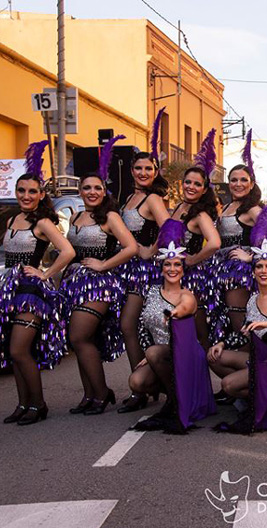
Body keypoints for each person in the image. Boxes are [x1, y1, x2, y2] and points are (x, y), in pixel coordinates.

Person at [0, 141, 75, 425]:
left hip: (31, 292)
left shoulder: (42, 222)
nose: (26, 196)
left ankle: (38, 405)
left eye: (32, 191)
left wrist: (44, 273)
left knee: (20, 349)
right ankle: (23, 404)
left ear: (41, 194)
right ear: (15, 192)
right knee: (13, 351)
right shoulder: (12, 219)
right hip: (7, 290)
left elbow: (67, 251)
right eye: (21, 190)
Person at [61, 136, 138, 415]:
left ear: (105, 191)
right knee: (83, 341)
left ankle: (102, 392)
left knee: (79, 337)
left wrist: (104, 266)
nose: (92, 192)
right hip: (73, 283)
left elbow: (130, 248)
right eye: (87, 188)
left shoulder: (110, 217)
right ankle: (89, 395)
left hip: (98, 285)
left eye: (97, 188)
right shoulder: (75, 218)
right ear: (80, 191)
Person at [210, 234, 267, 434]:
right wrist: (222, 344)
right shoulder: (252, 298)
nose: (264, 271)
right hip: (257, 358)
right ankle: (256, 393)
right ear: (253, 272)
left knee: (228, 385)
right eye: (259, 267)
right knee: (214, 357)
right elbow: (245, 330)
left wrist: (265, 323)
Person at [129, 222, 216, 433]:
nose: (172, 269)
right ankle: (173, 394)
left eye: (177, 265)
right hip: (160, 355)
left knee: (154, 352)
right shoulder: (151, 291)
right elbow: (141, 326)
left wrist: (174, 312)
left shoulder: (186, 294)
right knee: (137, 382)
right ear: (161, 268)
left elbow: (187, 307)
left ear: (183, 270)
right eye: (168, 265)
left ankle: (176, 402)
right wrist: (149, 354)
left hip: (186, 353)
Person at [117, 110, 172, 413]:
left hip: (145, 274)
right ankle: (146, 383)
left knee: (130, 324)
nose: (142, 173)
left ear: (155, 171)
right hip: (127, 271)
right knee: (132, 327)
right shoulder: (128, 199)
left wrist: (150, 250)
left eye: (148, 169)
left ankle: (144, 385)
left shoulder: (153, 199)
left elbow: (169, 229)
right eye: (138, 168)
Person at [168, 130, 222, 348]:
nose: (191, 187)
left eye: (197, 184)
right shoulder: (179, 207)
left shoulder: (200, 214)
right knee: (177, 332)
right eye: (188, 182)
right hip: (172, 275)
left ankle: (198, 378)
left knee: (197, 333)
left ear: (203, 189)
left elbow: (215, 243)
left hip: (191, 279)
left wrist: (192, 260)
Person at [214, 130, 263, 362]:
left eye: (244, 180)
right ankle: (239, 381)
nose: (238, 184)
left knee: (241, 325)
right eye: (234, 180)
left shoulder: (252, 209)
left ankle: (248, 380)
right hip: (222, 272)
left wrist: (250, 257)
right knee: (229, 326)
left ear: (252, 184)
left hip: (239, 274)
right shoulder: (226, 208)